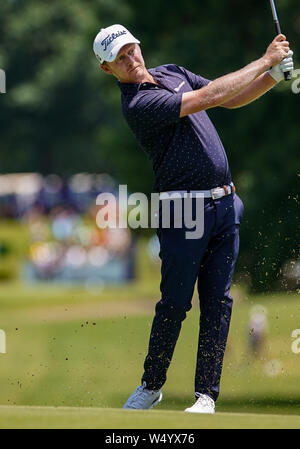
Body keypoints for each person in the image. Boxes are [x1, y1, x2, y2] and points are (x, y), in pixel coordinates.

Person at [93, 24, 294, 413]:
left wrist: (271, 77)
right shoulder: (137, 105)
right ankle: (152, 385)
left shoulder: (172, 72)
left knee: (218, 302)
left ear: (139, 45)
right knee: (175, 303)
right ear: (107, 70)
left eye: (131, 49)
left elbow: (229, 99)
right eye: (119, 58)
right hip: (182, 208)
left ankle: (206, 396)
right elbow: (207, 95)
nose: (130, 59)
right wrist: (266, 60)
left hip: (225, 203)